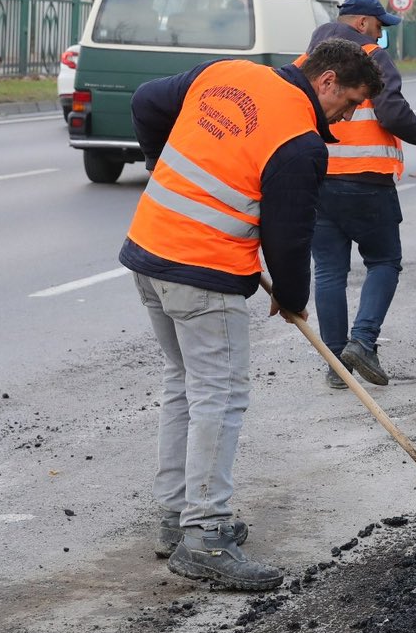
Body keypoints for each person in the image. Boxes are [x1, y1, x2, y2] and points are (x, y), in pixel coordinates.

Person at [121, 39, 382, 592]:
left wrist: (159, 164)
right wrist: (291, 297)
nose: (350, 115)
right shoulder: (300, 140)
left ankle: (177, 516)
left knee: (185, 384)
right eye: (352, 102)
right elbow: (288, 238)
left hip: (149, 248)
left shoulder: (229, 72)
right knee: (219, 394)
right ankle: (207, 534)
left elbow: (146, 101)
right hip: (202, 270)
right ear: (328, 80)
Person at [306, 0, 416, 391]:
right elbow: (391, 111)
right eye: (379, 24)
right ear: (361, 23)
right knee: (384, 261)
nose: (382, 33)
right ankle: (363, 342)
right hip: (367, 178)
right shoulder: (371, 56)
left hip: (319, 177)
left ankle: (336, 364)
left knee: (328, 271)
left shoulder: (310, 60)